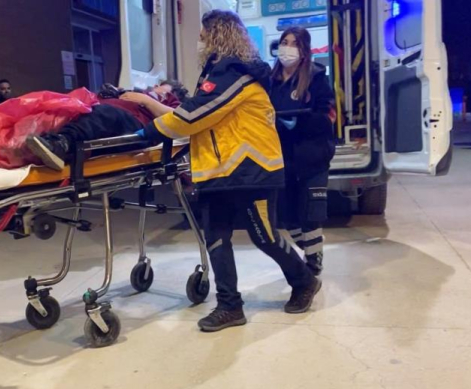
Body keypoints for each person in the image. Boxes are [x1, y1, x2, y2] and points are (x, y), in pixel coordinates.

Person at [144, 10, 322, 332]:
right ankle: (229, 306)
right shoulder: (218, 73)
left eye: (202, 35)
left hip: (253, 170)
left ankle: (305, 280)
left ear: (217, 36)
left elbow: (193, 116)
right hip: (220, 170)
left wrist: (147, 131)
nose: (199, 41)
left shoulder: (236, 73)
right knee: (216, 237)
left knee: (264, 236)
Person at [270, 27, 336, 277]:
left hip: (313, 155)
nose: (287, 48)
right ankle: (311, 249)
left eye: (294, 43)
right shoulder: (271, 81)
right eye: (284, 42)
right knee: (287, 217)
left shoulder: (317, 78)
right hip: (283, 157)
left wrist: (299, 121)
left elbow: (327, 115)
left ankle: (313, 262)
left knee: (311, 213)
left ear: (304, 50)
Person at [24, 80, 185, 170]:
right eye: (157, 87)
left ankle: (61, 144)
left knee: (107, 114)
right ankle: (45, 146)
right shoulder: (137, 91)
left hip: (135, 125)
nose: (156, 89)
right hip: (103, 114)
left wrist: (147, 100)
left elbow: (177, 118)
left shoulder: (169, 101)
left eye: (163, 91)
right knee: (69, 111)